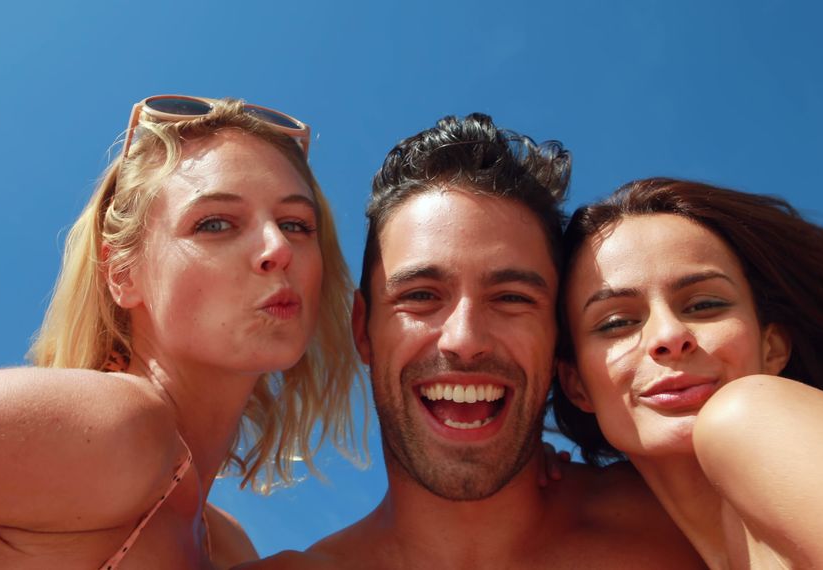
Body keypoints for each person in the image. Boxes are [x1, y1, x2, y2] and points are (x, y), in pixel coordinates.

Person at [0, 95, 363, 569]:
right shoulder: (110, 430)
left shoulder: (230, 544)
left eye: (296, 224)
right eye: (215, 223)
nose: (277, 250)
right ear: (123, 273)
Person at [249, 115, 704, 569]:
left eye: (511, 298)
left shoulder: (692, 524)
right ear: (362, 330)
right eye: (421, 296)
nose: (465, 341)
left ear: (556, 337)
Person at [554, 178, 823, 569]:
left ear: (773, 347)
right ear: (576, 384)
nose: (669, 336)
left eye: (704, 305)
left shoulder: (749, 413)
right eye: (617, 323)